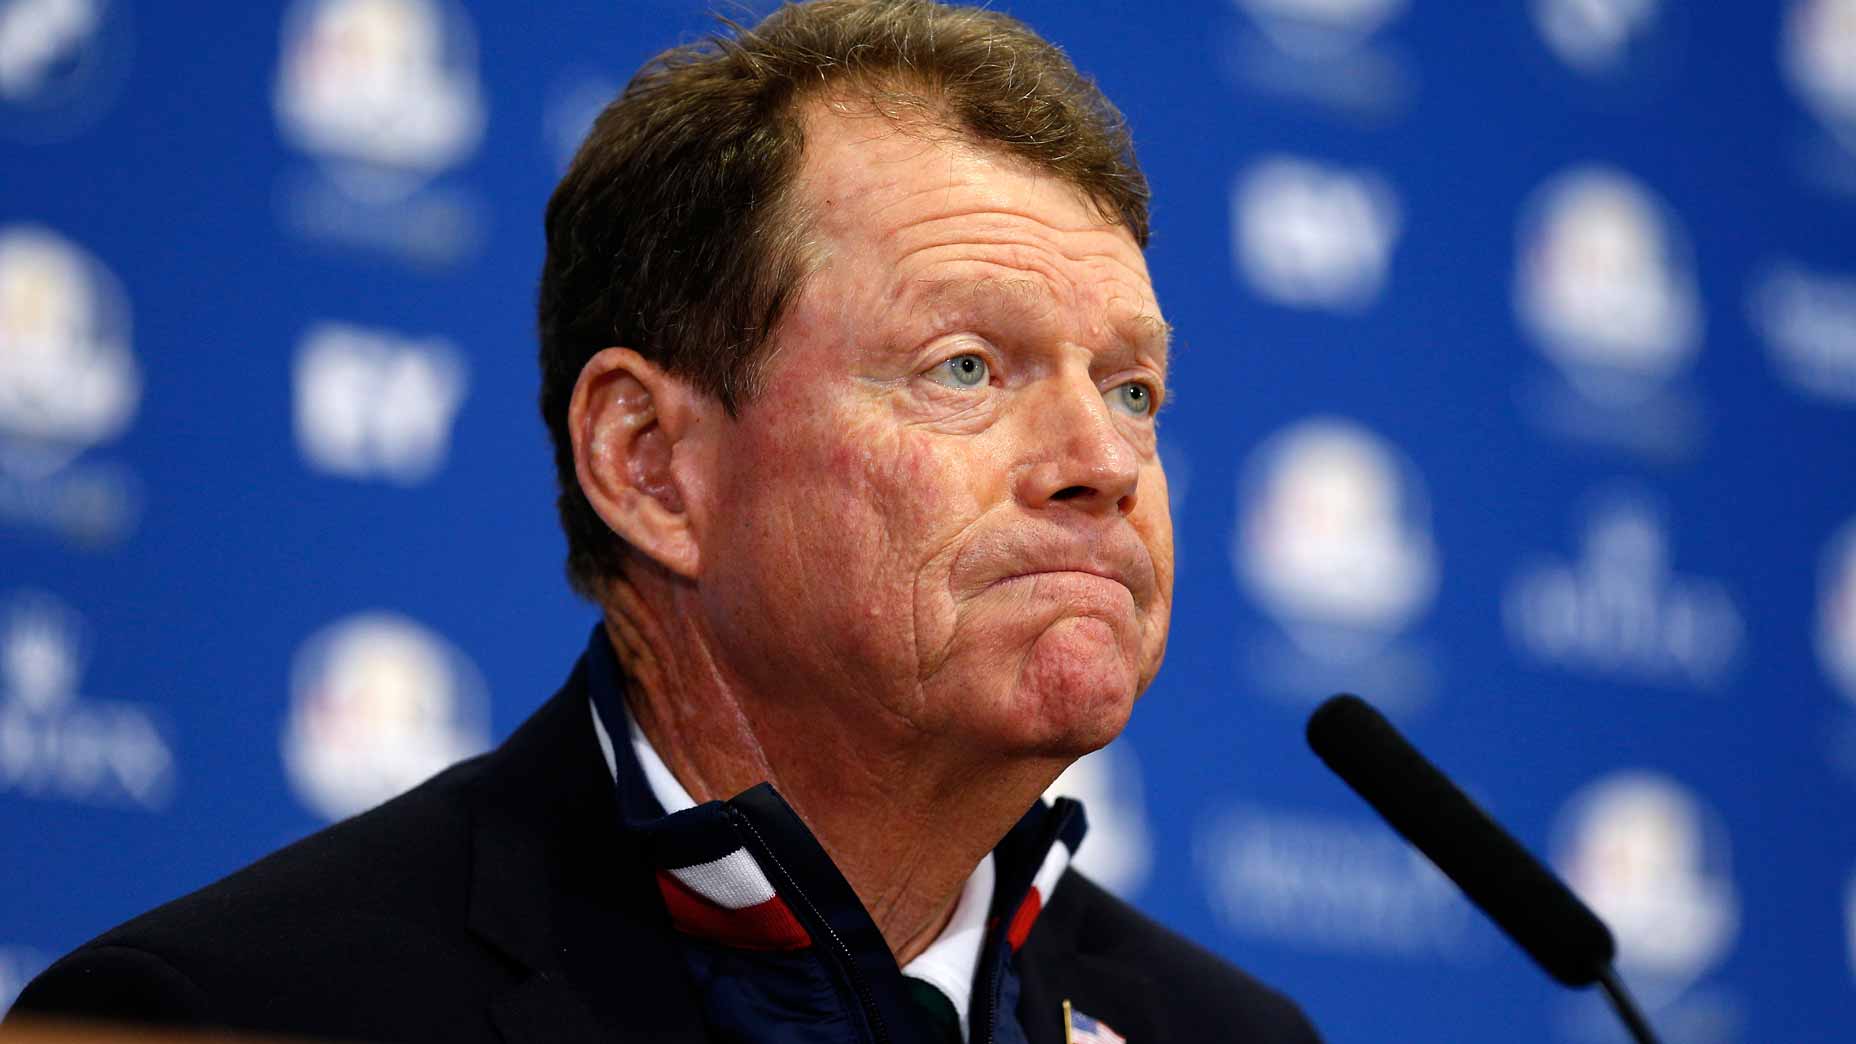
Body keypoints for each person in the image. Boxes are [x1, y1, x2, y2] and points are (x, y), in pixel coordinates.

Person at [12, 2, 1321, 1041]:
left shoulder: (1230, 1033)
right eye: (966, 367)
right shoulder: (230, 1013)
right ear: (649, 464)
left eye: (1132, 386)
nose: (1103, 461)